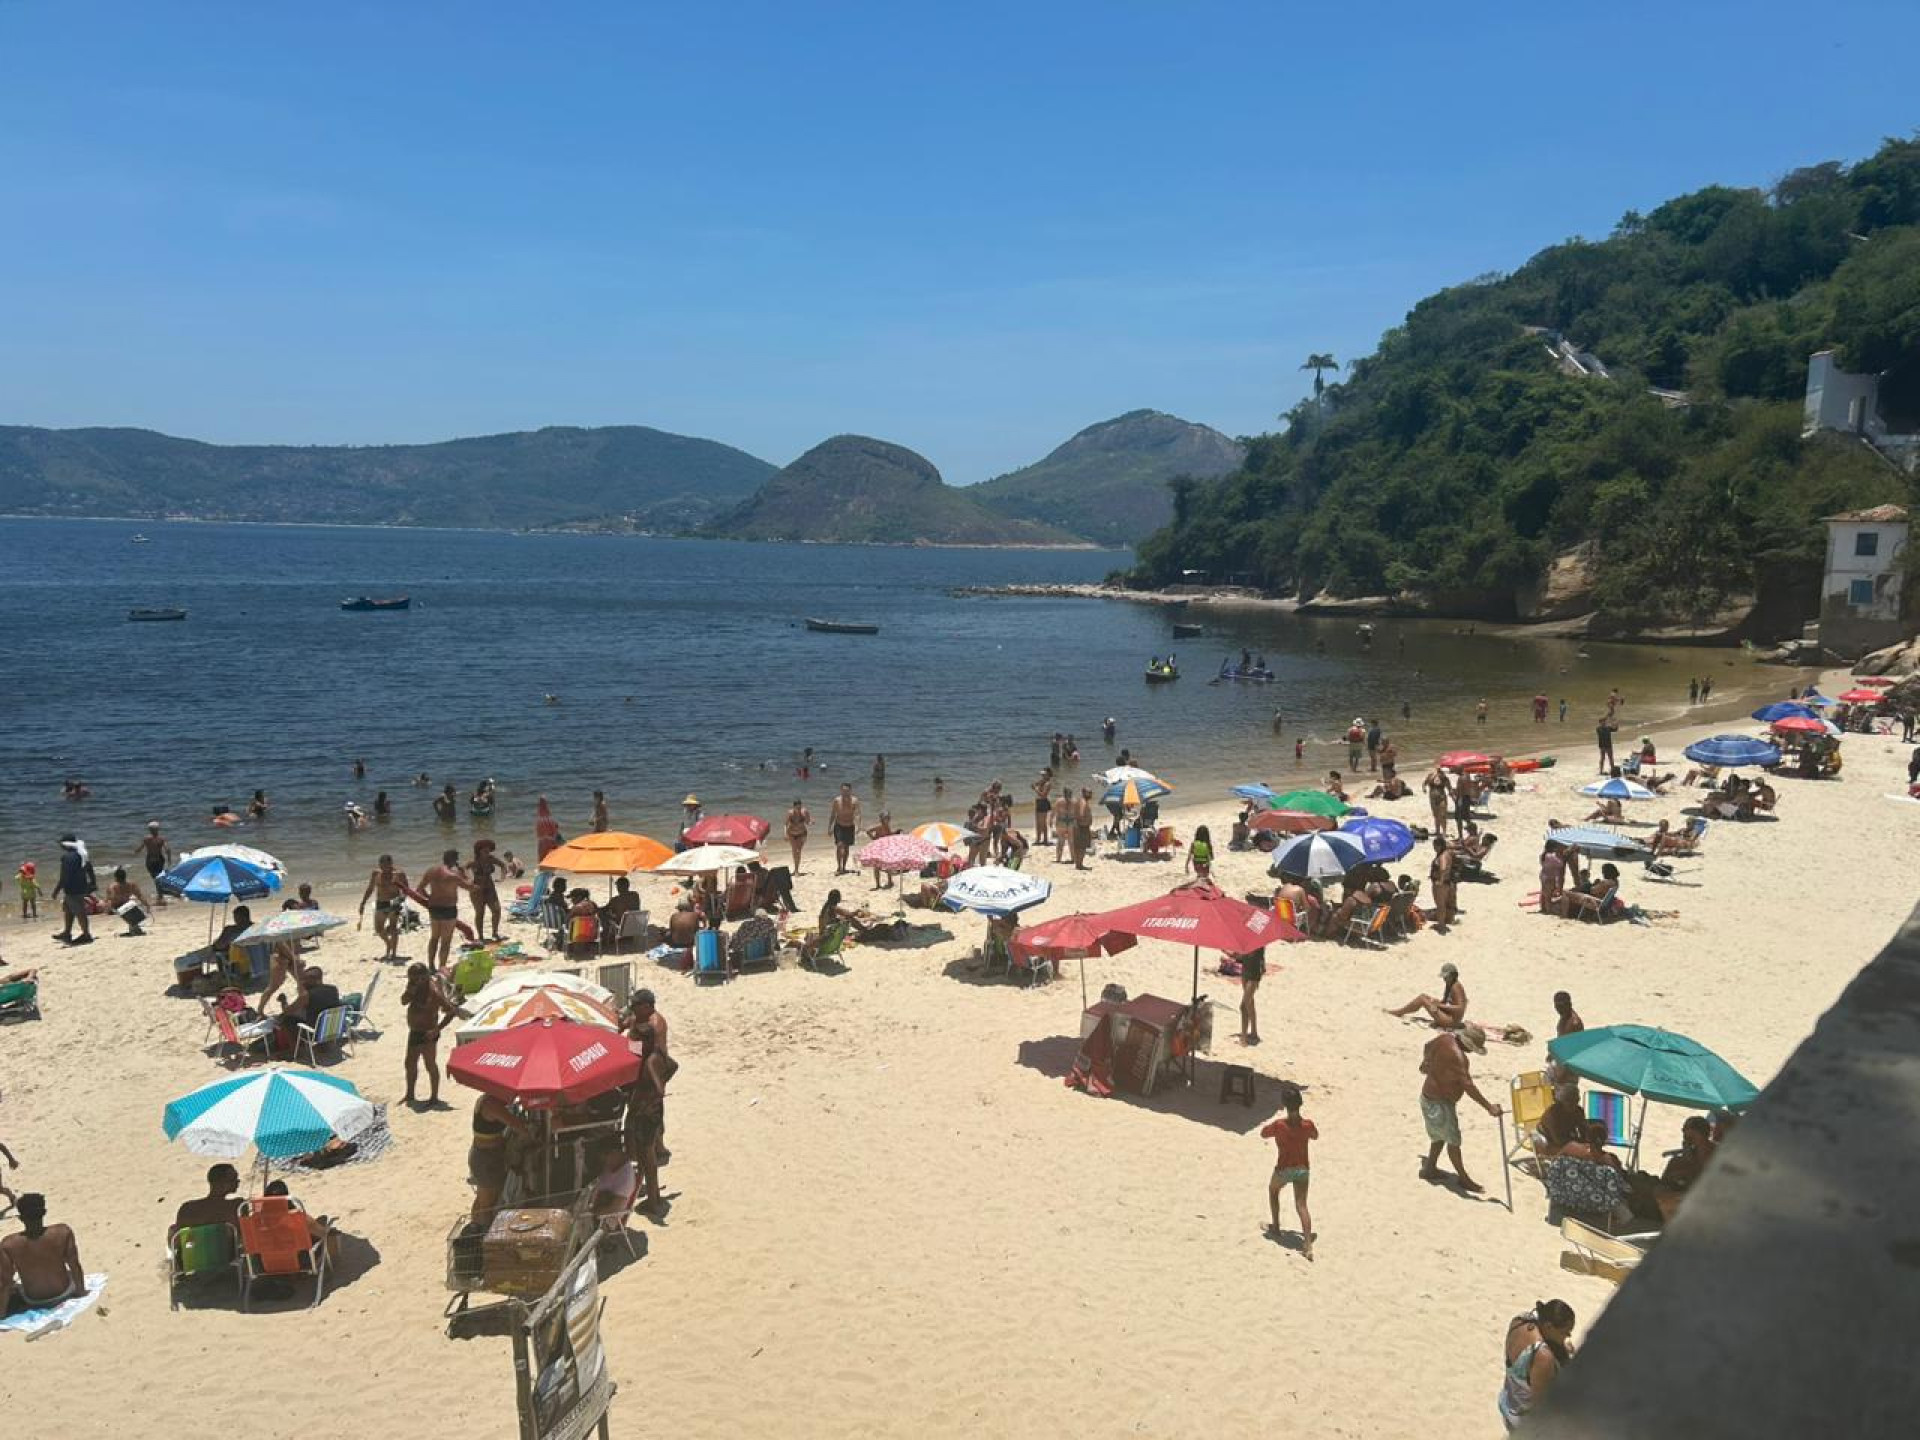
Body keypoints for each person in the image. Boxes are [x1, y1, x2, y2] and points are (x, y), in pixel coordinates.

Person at [1418, 1023, 1499, 1191]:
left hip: (1429, 1097)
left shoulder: (1443, 1039)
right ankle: (1463, 1178)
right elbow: (1468, 1086)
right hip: (1440, 1103)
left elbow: (1427, 1046)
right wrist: (1489, 1107)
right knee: (1453, 1141)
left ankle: (1429, 1168)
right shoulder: (1459, 1058)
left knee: (1439, 1135)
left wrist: (1426, 1062)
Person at [1498, 1301, 1577, 1431]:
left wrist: (1562, 1347)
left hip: (1508, 1400)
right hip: (1522, 1419)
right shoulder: (1543, 1357)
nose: (1567, 1336)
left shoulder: (1520, 1321)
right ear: (1549, 1327)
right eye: (1565, 1333)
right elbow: (1541, 1405)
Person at [0, 1194, 85, 1313]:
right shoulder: (63, 1232)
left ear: (21, 1218)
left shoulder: (8, 1244)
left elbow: (6, 1282)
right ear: (44, 1212)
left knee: (14, 1286)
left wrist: (2, 1313)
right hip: (64, 1292)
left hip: (34, 1300)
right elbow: (74, 1265)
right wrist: (81, 1293)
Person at [1260, 1082, 1316, 1259]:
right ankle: (1307, 1245)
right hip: (1302, 1169)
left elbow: (1263, 1133)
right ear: (1300, 1104)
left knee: (1273, 1190)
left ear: (1284, 1105)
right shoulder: (1307, 1125)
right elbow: (1315, 1135)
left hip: (1284, 1168)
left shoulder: (1279, 1125)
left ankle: (1276, 1227)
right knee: (1302, 1205)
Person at [467, 1094, 531, 1225]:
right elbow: (516, 1125)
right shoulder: (491, 1104)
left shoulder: (489, 1100)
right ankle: (483, 1230)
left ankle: (475, 1226)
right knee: (487, 1203)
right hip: (487, 1159)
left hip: (487, 1155)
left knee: (483, 1199)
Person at [403, 963, 461, 1107]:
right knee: (410, 1063)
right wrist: (410, 990)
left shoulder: (434, 993)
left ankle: (434, 1097)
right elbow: (403, 1001)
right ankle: (410, 1094)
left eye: (419, 979)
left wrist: (437, 1029)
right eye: (413, 979)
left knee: (430, 1064)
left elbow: (451, 1011)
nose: (417, 981)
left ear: (426, 977)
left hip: (428, 1033)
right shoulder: (414, 987)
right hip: (414, 1031)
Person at [419, 849, 473, 970]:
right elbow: (470, 887)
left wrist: (429, 898)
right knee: (446, 941)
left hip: (434, 908)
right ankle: (442, 967)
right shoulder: (453, 875)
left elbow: (420, 889)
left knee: (434, 938)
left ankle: (431, 966)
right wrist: (464, 873)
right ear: (454, 860)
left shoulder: (431, 871)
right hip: (448, 909)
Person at [358, 854, 410, 962]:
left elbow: (406, 889)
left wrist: (401, 899)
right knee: (378, 929)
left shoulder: (399, 874)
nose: (385, 868)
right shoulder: (376, 873)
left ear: (391, 864)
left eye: (387, 865)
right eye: (382, 866)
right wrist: (363, 903)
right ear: (379, 865)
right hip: (381, 902)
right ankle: (388, 944)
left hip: (394, 903)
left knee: (393, 928)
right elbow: (370, 888)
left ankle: (394, 953)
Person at [171, 1163, 242, 1239]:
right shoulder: (236, 1206)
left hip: (197, 1246)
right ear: (220, 1182)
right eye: (233, 1179)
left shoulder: (187, 1208)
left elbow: (180, 1238)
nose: (238, 1181)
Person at [1387, 962, 1467, 1026]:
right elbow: (1445, 1002)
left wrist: (1439, 1005)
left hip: (1451, 1021)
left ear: (1453, 975)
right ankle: (1400, 1011)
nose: (1444, 979)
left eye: (1446, 977)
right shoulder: (1449, 984)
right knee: (1424, 997)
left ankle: (1399, 1012)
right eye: (1444, 977)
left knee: (1422, 999)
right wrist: (1437, 1003)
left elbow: (1460, 1008)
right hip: (1448, 1015)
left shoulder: (1456, 987)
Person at [51, 834, 96, 945]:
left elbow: (64, 876)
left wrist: (56, 890)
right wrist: (93, 883)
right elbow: (90, 869)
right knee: (68, 909)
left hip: (72, 889)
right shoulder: (82, 854)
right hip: (81, 886)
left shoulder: (66, 857)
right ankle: (67, 933)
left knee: (80, 912)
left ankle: (86, 935)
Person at [467, 839, 507, 942]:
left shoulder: (491, 859)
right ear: (479, 850)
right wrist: (469, 880)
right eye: (485, 849)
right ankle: (480, 936)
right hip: (477, 890)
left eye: (488, 849)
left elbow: (503, 865)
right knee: (480, 913)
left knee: (496, 910)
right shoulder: (473, 861)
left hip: (490, 888)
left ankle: (495, 933)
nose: (487, 851)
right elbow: (463, 869)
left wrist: (502, 878)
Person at [134, 821, 171, 906]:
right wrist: (169, 860)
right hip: (159, 860)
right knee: (158, 878)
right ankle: (161, 897)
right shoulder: (161, 839)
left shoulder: (146, 839)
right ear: (158, 829)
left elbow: (139, 848)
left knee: (156, 879)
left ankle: (160, 898)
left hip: (150, 860)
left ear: (149, 830)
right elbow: (168, 849)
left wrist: (135, 852)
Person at [104, 866, 150, 935]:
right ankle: (134, 928)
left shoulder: (112, 887)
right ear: (125, 876)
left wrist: (107, 910)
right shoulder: (131, 885)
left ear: (115, 877)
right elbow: (140, 896)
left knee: (127, 907)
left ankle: (134, 928)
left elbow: (109, 900)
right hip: (126, 905)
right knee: (130, 906)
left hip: (118, 907)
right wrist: (147, 905)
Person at [829, 783, 861, 876]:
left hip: (850, 826)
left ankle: (844, 867)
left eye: (847, 791)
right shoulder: (837, 800)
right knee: (839, 846)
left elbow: (858, 814)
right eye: (843, 790)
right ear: (841, 790)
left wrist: (858, 826)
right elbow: (833, 814)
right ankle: (839, 867)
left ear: (850, 791)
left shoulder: (854, 801)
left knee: (846, 847)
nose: (845, 792)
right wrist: (830, 827)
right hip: (839, 825)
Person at [1428, 835, 1457, 932]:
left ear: (1439, 846)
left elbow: (1443, 868)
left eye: (1435, 846)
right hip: (1448, 882)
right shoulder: (1447, 853)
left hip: (1441, 884)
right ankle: (1445, 921)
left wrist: (1440, 880)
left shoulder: (1442, 856)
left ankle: (1441, 925)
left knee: (1440, 905)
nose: (1434, 848)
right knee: (1445, 904)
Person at [1237, 944, 1265, 1045]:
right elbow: (1241, 957)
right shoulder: (1246, 941)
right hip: (1245, 972)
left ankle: (1243, 1038)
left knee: (1243, 1006)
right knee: (1250, 1003)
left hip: (1253, 975)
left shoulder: (1258, 942)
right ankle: (1254, 1032)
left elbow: (1254, 956)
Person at [1538, 840, 1567, 916]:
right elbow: (1560, 864)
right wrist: (1563, 856)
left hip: (1543, 875)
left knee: (1544, 893)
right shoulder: (1551, 856)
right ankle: (1548, 910)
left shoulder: (1543, 855)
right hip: (1550, 877)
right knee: (1548, 896)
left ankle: (1543, 908)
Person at [785, 798, 811, 875]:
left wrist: (811, 822)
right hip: (791, 834)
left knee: (798, 851)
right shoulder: (790, 813)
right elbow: (785, 824)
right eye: (797, 808)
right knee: (794, 851)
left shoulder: (805, 812)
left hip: (802, 833)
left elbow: (807, 822)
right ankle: (795, 870)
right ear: (793, 807)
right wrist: (785, 834)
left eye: (800, 808)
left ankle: (796, 870)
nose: (798, 809)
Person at [1032, 767, 1054, 847]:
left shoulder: (1048, 783)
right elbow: (1034, 784)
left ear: (1048, 775)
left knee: (1042, 822)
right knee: (1038, 822)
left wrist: (1035, 789)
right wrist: (1037, 784)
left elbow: (1043, 795)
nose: (1042, 776)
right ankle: (1038, 839)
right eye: (1042, 775)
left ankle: (1045, 839)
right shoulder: (1043, 781)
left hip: (1043, 802)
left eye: (1044, 775)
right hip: (1039, 801)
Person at [534, 795, 561, 859]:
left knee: (542, 860)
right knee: (552, 859)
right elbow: (555, 832)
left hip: (542, 843)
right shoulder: (550, 819)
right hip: (550, 841)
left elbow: (537, 834)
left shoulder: (538, 820)